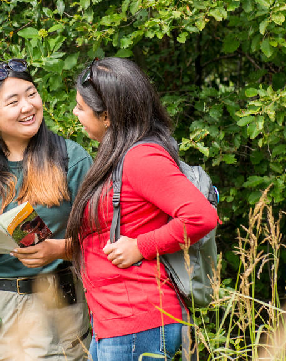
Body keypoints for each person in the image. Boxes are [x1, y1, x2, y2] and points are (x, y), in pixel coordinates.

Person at [65, 57, 218, 361]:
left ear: (107, 116)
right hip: (116, 321)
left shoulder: (141, 157)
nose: (75, 113)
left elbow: (201, 216)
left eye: (81, 107)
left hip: (138, 320)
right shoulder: (115, 155)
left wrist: (140, 246)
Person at [0, 59, 94, 360]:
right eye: (13, 101)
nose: (27, 107)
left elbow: (101, 241)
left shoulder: (71, 159)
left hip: (57, 304)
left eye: (31, 94)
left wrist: (57, 249)